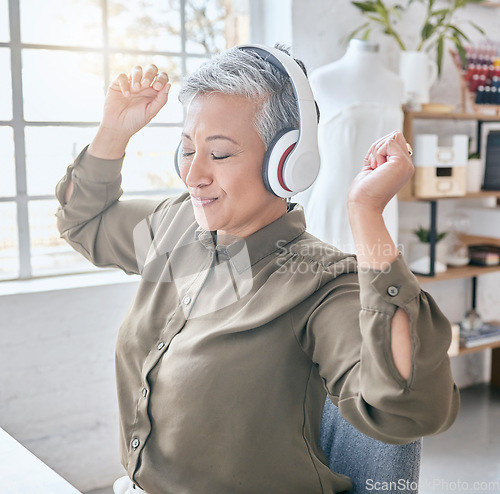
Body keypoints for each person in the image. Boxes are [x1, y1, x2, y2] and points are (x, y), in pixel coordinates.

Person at [55, 45, 459, 494]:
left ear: (287, 163)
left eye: (220, 155)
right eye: (187, 150)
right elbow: (83, 222)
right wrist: (114, 131)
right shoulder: (175, 225)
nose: (193, 175)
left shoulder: (321, 284)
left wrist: (366, 211)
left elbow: (408, 409)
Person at [299, 39, 404, 253]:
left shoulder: (397, 84)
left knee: (378, 279)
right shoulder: (323, 79)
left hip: (383, 200)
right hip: (338, 196)